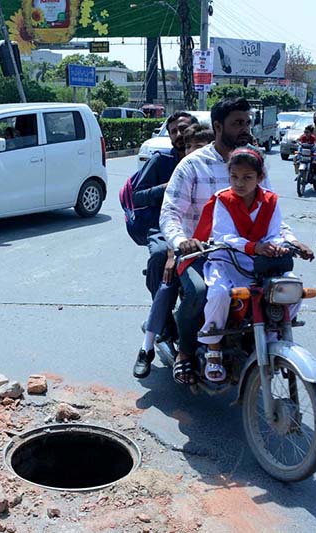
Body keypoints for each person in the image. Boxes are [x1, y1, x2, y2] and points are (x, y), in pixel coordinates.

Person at [160, 97, 314, 385]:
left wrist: (291, 241)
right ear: (218, 126)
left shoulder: (254, 162)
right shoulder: (193, 164)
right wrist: (182, 241)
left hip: (251, 254)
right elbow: (170, 212)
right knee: (198, 292)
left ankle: (266, 339)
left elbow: (270, 212)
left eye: (247, 122)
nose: (245, 128)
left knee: (285, 288)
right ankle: (187, 351)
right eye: (237, 123)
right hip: (204, 250)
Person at [187, 146, 286, 381]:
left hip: (260, 263)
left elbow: (275, 232)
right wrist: (254, 247)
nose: (239, 183)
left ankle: (274, 337)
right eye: (234, 177)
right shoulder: (223, 199)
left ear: (260, 178)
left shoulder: (271, 201)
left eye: (247, 178)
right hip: (226, 260)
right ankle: (213, 348)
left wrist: (279, 245)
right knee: (219, 294)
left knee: (289, 290)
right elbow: (224, 237)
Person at [132, 111, 199, 378]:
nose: (180, 136)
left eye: (184, 129)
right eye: (174, 131)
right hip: (164, 228)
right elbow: (138, 196)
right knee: (160, 255)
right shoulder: (162, 161)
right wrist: (169, 186)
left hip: (201, 231)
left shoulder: (211, 160)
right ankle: (162, 325)